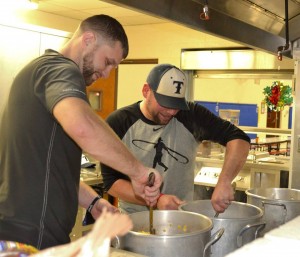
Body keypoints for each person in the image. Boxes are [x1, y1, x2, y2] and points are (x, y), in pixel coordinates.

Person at [0, 14, 162, 250]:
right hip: (27, 236)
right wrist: (138, 172)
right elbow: (82, 126)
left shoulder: (44, 74)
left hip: (29, 233)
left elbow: (51, 170)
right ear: (88, 39)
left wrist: (93, 202)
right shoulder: (59, 69)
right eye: (107, 62)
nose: (107, 74)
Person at [101, 63, 250, 214]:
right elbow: (111, 182)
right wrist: (158, 199)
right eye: (165, 103)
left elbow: (239, 139)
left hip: (182, 219)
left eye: (176, 104)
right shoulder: (119, 122)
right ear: (146, 91)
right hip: (134, 220)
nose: (171, 111)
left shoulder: (191, 115)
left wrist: (224, 182)